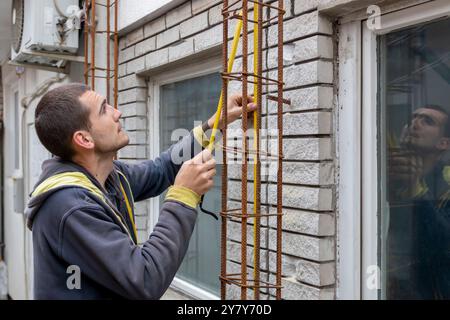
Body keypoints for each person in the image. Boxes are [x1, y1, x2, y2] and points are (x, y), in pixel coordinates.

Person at [25, 83, 256, 299]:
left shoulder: (109, 177)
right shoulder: (71, 207)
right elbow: (145, 278)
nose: (117, 112)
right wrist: (183, 196)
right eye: (104, 109)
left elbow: (161, 170)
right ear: (84, 139)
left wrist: (216, 124)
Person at [387, 105, 450, 299]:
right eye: (414, 117)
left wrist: (416, 189)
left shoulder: (446, 183)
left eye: (427, 121)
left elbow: (443, 242)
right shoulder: (383, 170)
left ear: (443, 143)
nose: (416, 123)